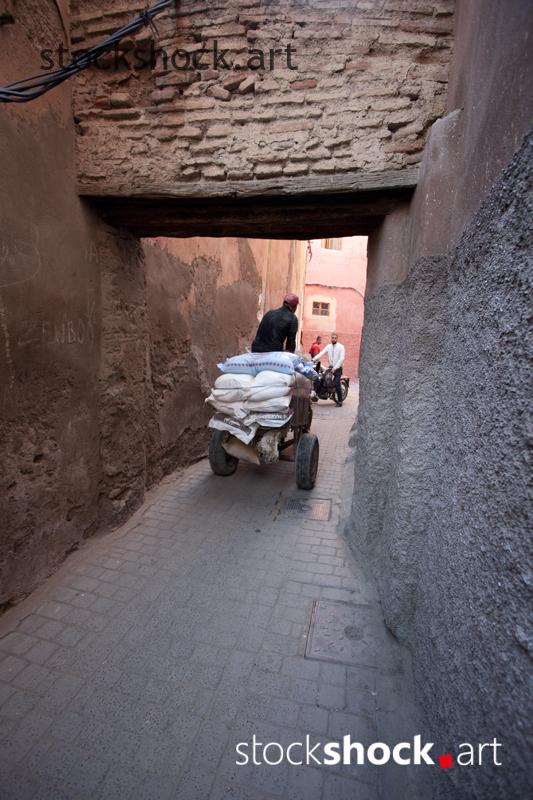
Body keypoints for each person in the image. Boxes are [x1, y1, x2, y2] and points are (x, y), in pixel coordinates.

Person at [312, 332, 345, 406]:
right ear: (331, 338)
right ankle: (318, 395)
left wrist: (335, 368)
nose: (333, 339)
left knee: (336, 383)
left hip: (338, 369)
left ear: (337, 339)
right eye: (332, 338)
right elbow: (322, 353)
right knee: (322, 379)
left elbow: (341, 359)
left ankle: (340, 401)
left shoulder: (341, 347)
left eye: (335, 338)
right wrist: (314, 359)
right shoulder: (328, 346)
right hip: (330, 368)